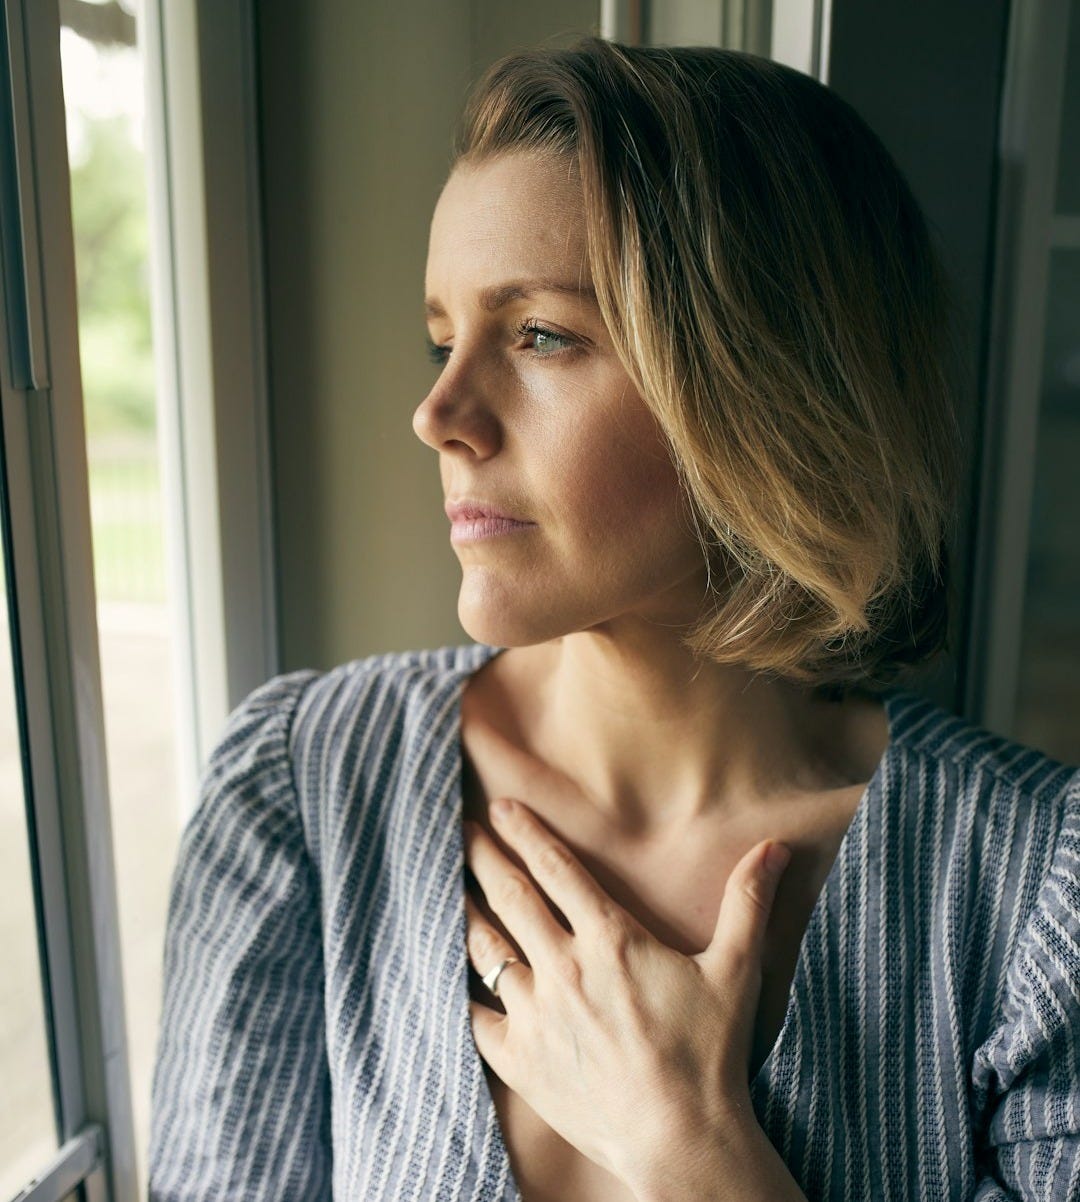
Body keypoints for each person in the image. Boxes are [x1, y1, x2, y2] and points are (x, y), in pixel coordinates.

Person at [147, 36, 1080, 1202]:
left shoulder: (1040, 895)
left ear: (768, 384)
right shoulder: (303, 787)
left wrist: (693, 1148)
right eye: (443, 338)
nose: (439, 411)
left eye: (540, 333)